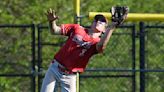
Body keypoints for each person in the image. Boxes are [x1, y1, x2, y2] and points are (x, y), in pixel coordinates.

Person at [41, 7, 128, 92]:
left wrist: (112, 27)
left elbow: (101, 45)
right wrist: (52, 21)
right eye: (96, 20)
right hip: (55, 68)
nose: (98, 22)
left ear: (104, 29)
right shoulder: (77, 28)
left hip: (70, 76)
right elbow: (55, 30)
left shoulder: (96, 42)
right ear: (92, 23)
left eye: (102, 22)